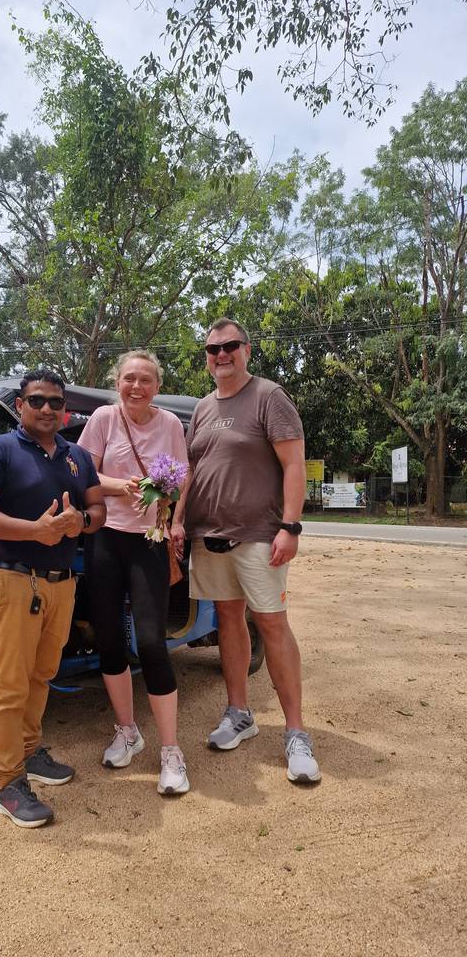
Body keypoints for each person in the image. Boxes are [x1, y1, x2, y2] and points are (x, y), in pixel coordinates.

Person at [172, 319, 321, 784]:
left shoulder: (269, 397)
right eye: (213, 348)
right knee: (227, 620)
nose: (221, 354)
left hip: (259, 535)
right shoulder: (201, 408)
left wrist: (290, 527)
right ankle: (239, 713)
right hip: (208, 535)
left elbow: (293, 463)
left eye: (230, 346)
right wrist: (177, 518)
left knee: (272, 623)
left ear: (247, 350)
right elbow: (191, 471)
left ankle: (296, 732)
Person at [0, 370, 106, 828]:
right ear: (20, 405)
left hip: (62, 584)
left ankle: (28, 752)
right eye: (37, 400)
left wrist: (79, 522)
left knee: (43, 674)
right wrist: (36, 531)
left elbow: (99, 509)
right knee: (10, 684)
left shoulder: (77, 456)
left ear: (65, 409)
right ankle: (7, 783)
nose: (47, 409)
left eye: (55, 402)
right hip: (15, 579)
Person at [77, 350, 190, 796]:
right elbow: (83, 473)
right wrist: (120, 486)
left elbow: (180, 478)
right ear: (117, 382)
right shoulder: (104, 418)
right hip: (106, 538)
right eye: (129, 379)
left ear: (156, 386)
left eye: (145, 379)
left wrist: (166, 501)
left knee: (150, 641)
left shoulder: (170, 426)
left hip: (149, 540)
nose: (136, 386)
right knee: (107, 637)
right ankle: (128, 730)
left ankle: (170, 750)